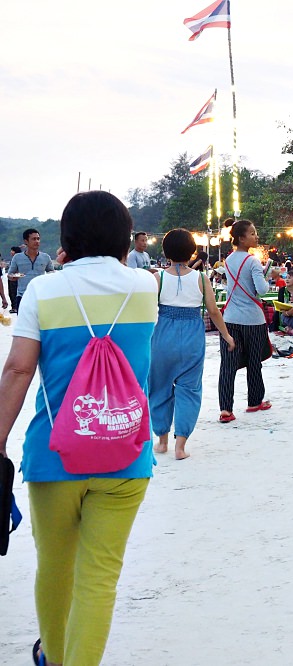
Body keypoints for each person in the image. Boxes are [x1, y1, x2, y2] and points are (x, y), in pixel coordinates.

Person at [0, 191, 158, 665]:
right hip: (126, 454)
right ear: (124, 238)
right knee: (100, 577)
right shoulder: (145, 286)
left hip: (54, 455)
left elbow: (19, 371)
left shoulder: (44, 290)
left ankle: (51, 653)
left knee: (55, 567)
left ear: (63, 240)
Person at [150, 228, 234, 460]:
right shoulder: (201, 278)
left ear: (166, 251)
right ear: (192, 251)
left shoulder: (158, 278)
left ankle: (162, 441)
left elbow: (146, 312)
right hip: (192, 336)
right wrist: (227, 336)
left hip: (163, 335)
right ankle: (180, 446)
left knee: (159, 387)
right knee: (189, 389)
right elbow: (214, 312)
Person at [218, 219, 275, 423]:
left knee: (228, 365)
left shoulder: (228, 260)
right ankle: (254, 401)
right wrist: (266, 275)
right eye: (252, 233)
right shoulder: (252, 261)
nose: (256, 236)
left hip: (231, 318)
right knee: (253, 362)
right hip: (252, 319)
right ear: (241, 238)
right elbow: (261, 290)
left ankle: (225, 409)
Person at [9, 228, 55, 313]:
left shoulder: (46, 257)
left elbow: (51, 272)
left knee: (42, 324)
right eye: (34, 239)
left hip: (41, 296)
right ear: (26, 241)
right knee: (23, 325)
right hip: (23, 296)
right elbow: (10, 274)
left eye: (38, 239)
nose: (37, 241)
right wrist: (13, 277)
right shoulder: (17, 257)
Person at [7, 246, 20, 312]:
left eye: (12, 250)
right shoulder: (13, 259)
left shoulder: (18, 259)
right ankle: (13, 307)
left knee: (14, 292)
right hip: (10, 278)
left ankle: (15, 307)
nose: (11, 252)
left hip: (15, 278)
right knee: (11, 293)